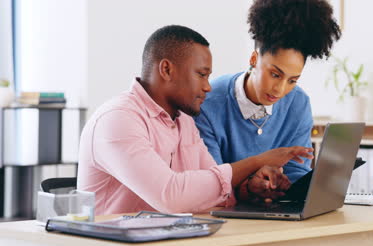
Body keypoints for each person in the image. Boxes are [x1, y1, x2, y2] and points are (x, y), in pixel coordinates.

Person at [77, 25, 313, 215]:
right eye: (201, 75)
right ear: (167, 70)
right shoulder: (118, 120)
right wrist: (257, 162)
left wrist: (246, 189)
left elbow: (221, 194)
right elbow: (170, 196)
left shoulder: (184, 122)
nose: (208, 87)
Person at [194, 0, 341, 202]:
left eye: (292, 80)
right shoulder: (208, 103)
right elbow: (210, 184)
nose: (280, 90)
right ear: (254, 59)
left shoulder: (298, 103)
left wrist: (281, 184)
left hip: (276, 215)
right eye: (275, 74)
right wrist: (250, 185)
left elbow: (297, 173)